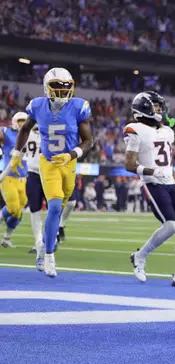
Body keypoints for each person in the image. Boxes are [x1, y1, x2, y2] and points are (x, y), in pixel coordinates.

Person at [9, 68, 93, 277]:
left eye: (66, 87)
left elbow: (89, 141)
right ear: (47, 88)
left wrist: (72, 154)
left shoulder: (78, 107)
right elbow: (25, 129)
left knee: (62, 207)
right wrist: (16, 153)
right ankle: (48, 255)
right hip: (48, 163)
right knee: (54, 206)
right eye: (57, 87)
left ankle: (43, 245)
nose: (63, 92)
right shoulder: (37, 105)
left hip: (69, 163)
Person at [125, 91, 175, 287]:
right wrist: (151, 171)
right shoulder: (135, 129)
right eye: (156, 106)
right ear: (145, 108)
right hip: (151, 182)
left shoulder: (167, 131)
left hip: (169, 182)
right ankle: (140, 256)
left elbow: (168, 164)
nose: (160, 110)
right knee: (171, 225)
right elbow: (129, 165)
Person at [0, 112, 29, 249]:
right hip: (9, 177)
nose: (22, 123)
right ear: (14, 122)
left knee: (18, 212)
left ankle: (6, 238)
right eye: (20, 121)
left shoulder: (31, 135)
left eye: (25, 121)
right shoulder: (6, 132)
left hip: (24, 179)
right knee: (12, 208)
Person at [24, 124, 46, 258]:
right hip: (33, 174)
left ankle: (50, 238)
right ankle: (38, 241)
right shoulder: (25, 134)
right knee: (35, 209)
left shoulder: (51, 131)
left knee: (54, 208)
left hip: (49, 174)